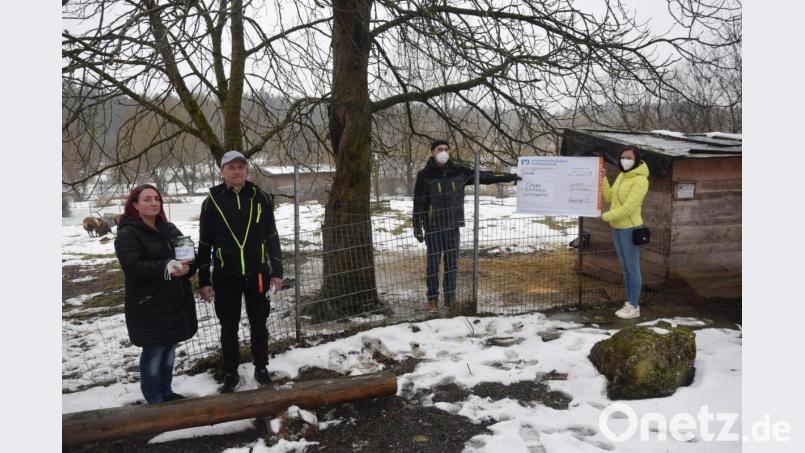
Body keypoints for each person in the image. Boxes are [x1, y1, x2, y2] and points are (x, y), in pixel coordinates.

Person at [197, 150, 283, 393]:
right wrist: (204, 280)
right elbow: (205, 243)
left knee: (259, 323)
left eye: (241, 167)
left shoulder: (260, 197)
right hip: (226, 276)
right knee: (229, 326)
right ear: (222, 172)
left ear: (246, 170)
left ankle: (261, 368)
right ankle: (231, 372)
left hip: (257, 274)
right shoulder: (211, 202)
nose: (237, 171)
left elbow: (272, 236)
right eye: (231, 167)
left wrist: (277, 271)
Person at [413, 139, 521, 313]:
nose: (443, 152)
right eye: (440, 149)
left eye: (446, 149)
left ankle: (450, 299)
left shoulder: (459, 172)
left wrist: (509, 177)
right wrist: (416, 225)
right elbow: (418, 202)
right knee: (433, 265)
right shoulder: (424, 175)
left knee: (451, 265)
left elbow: (484, 176)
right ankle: (432, 299)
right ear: (432, 152)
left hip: (453, 226)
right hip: (433, 227)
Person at [114, 184, 198, 404]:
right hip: (148, 305)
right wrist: (166, 266)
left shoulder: (169, 229)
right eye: (147, 199)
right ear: (134, 205)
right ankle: (154, 399)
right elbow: (132, 267)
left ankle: (166, 392)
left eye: (156, 199)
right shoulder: (128, 234)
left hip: (174, 303)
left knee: (169, 348)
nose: (153, 203)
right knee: (154, 352)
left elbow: (188, 255)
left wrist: (189, 267)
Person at [600, 147, 650, 319]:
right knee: (625, 269)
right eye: (622, 157)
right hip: (617, 227)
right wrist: (603, 178)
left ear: (636, 159)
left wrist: (608, 216)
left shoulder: (640, 180)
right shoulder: (622, 176)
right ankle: (629, 302)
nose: (625, 160)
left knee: (632, 268)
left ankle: (634, 307)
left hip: (630, 228)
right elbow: (609, 197)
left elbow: (629, 208)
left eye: (629, 157)